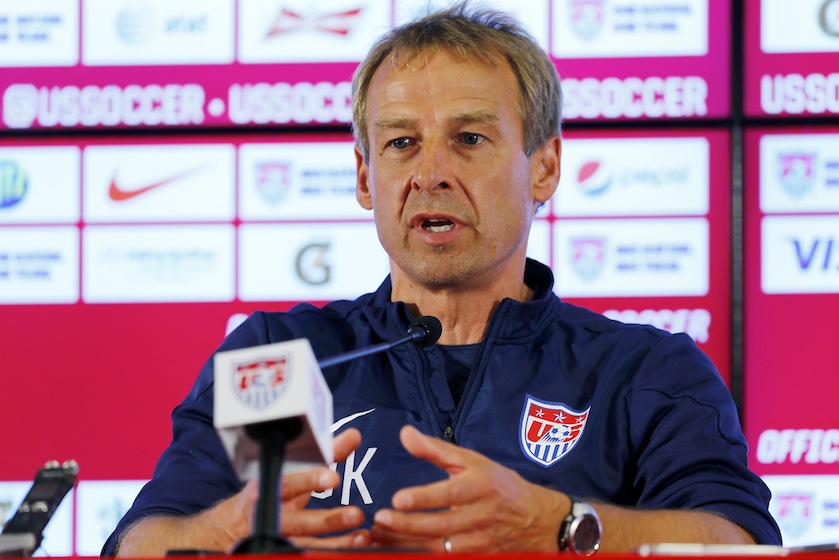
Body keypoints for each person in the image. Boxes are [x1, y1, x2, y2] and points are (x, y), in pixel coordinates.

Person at [104, 3, 781, 556]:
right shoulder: (283, 357)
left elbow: (738, 543)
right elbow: (143, 542)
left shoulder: (641, 370)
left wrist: (560, 526)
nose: (430, 173)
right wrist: (226, 531)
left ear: (543, 166)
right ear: (367, 177)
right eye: (401, 142)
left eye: (469, 139)